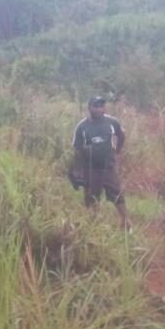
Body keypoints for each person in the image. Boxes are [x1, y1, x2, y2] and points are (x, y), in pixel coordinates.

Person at [72, 96, 130, 229]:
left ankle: (126, 223)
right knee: (91, 196)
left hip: (108, 166)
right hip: (90, 168)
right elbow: (77, 148)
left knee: (117, 194)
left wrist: (118, 150)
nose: (99, 109)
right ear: (89, 108)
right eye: (96, 106)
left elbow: (121, 135)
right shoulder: (82, 126)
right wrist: (78, 170)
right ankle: (93, 225)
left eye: (101, 106)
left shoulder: (112, 122)